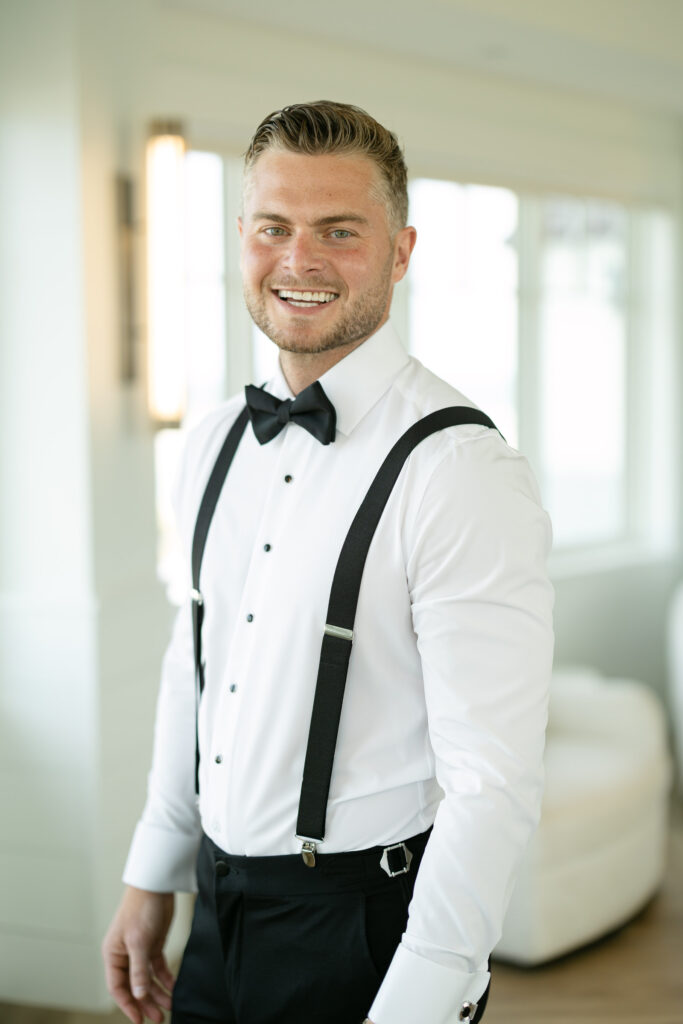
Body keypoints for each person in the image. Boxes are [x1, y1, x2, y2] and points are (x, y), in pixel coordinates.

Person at [102, 100, 554, 1024]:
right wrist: (154, 870)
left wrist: (426, 993)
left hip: (361, 928)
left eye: (339, 232)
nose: (299, 261)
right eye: (275, 227)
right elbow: (193, 668)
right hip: (215, 909)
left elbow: (491, 782)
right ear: (241, 238)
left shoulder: (461, 470)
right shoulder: (212, 440)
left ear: (400, 250)